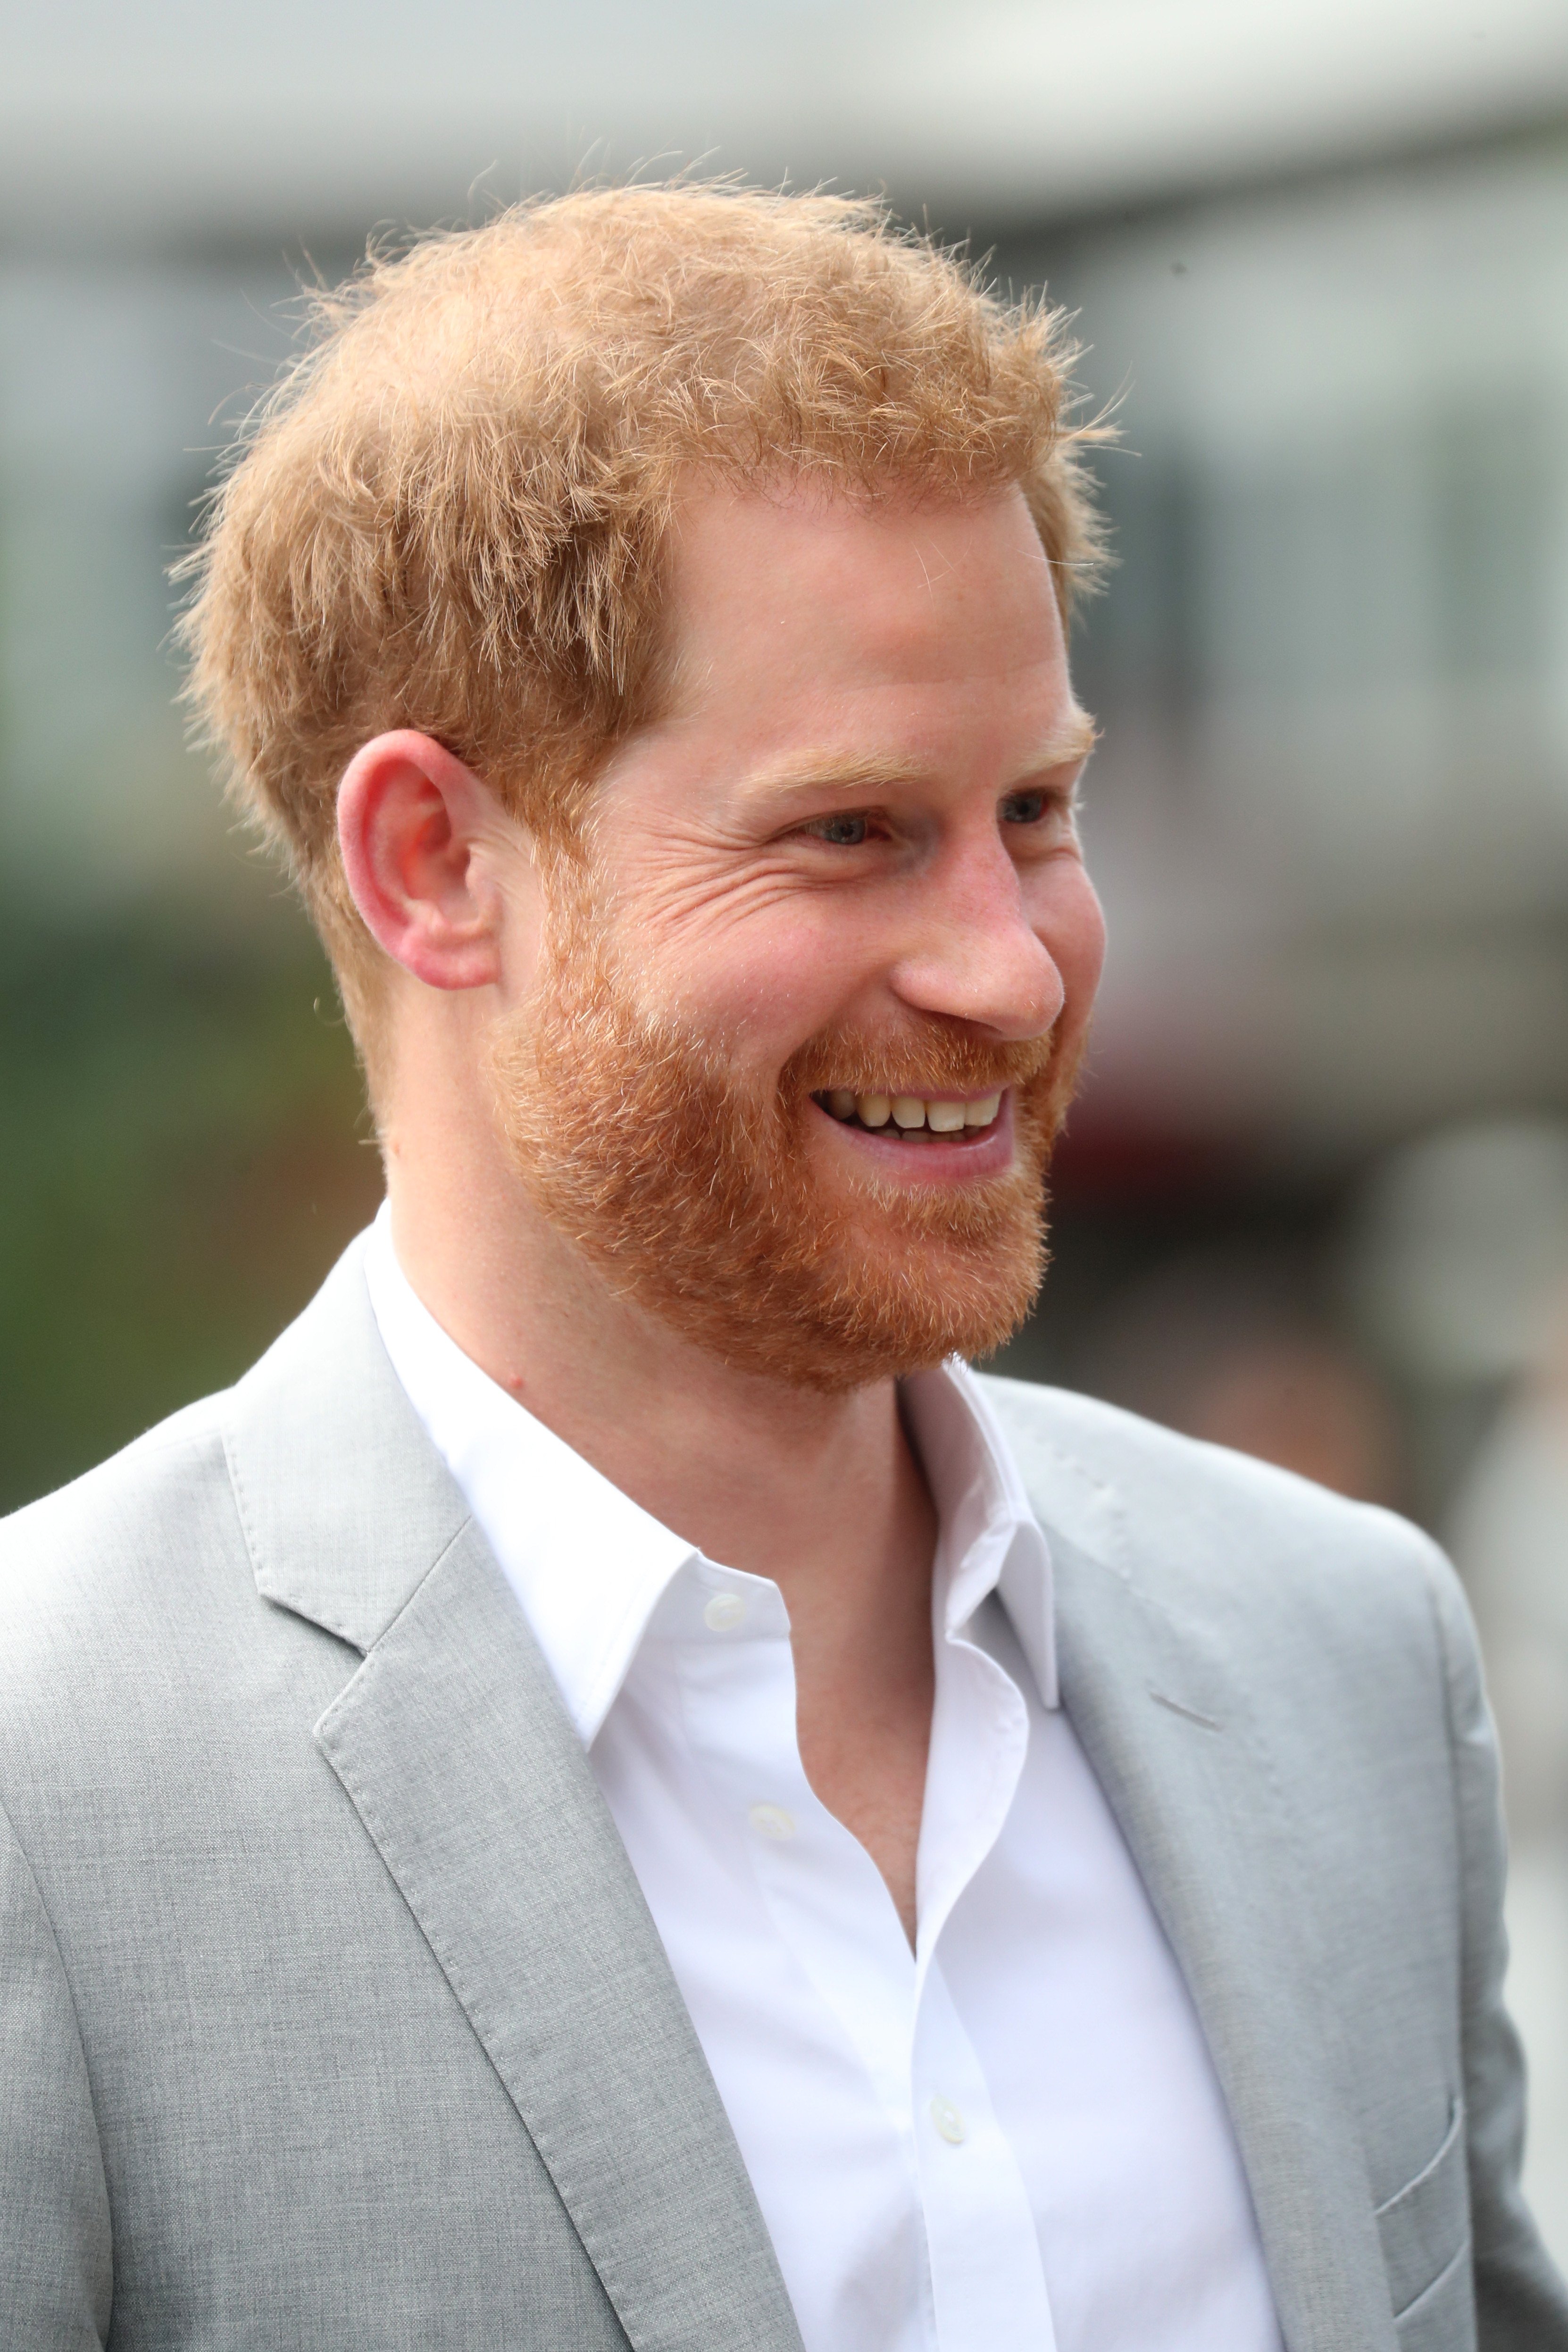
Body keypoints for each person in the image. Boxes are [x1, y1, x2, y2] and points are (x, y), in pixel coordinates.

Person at [0, 187, 1560, 2352]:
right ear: (436, 863)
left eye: (1034, 809)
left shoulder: (1346, 1648)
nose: (1011, 968)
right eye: (849, 831)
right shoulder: (42, 1782)